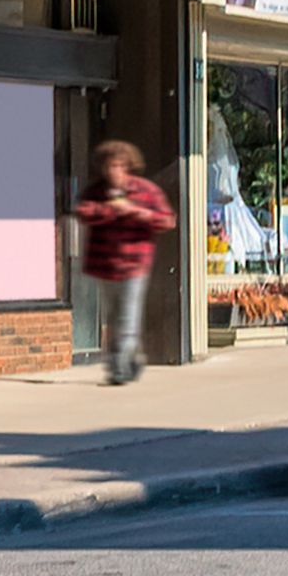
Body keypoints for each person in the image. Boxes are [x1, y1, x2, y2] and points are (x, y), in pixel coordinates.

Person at [70, 140, 174, 389]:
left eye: (119, 166)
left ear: (128, 167)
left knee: (128, 318)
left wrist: (136, 212)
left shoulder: (145, 191)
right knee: (113, 318)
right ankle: (132, 359)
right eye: (109, 166)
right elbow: (82, 211)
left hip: (134, 265)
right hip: (105, 265)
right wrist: (111, 210)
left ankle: (117, 369)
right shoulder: (97, 192)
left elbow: (166, 220)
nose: (114, 171)